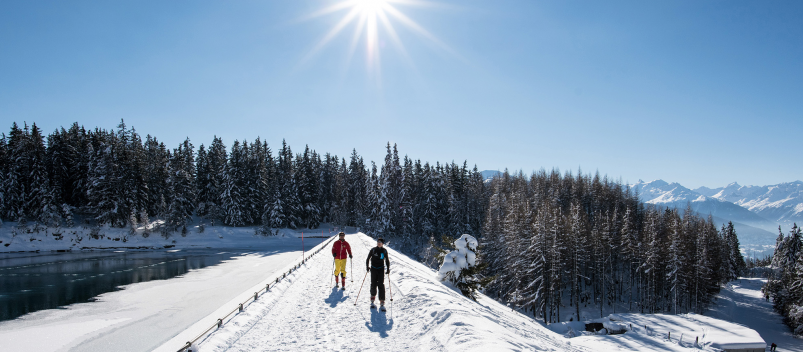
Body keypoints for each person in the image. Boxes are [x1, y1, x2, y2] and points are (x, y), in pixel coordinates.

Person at [366, 238, 390, 311]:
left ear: (382, 243)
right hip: (373, 269)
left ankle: (382, 301)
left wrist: (388, 268)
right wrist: (367, 266)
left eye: (380, 242)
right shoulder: (373, 250)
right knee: (373, 284)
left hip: (381, 269)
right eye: (378, 242)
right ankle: (372, 299)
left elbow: (387, 260)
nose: (379, 243)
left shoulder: (384, 251)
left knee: (381, 284)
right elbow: (368, 258)